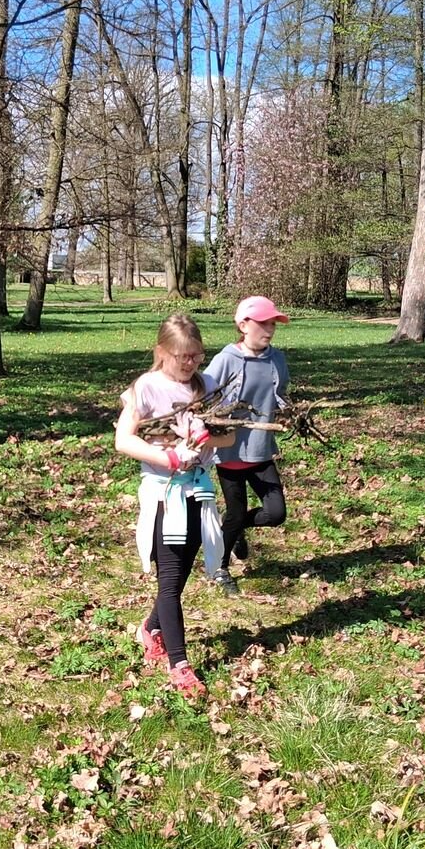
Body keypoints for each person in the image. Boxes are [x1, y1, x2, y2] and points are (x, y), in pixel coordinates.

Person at [114, 314, 236, 699]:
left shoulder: (207, 385)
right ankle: (179, 666)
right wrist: (166, 457)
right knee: (169, 580)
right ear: (161, 352)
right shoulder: (146, 387)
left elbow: (229, 437)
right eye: (182, 356)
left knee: (180, 575)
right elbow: (123, 440)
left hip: (198, 491)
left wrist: (205, 436)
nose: (190, 363)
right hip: (164, 493)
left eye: (196, 356)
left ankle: (149, 629)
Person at [204, 295, 291, 595]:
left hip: (261, 450)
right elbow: (204, 396)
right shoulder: (226, 359)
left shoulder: (277, 359)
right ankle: (219, 567)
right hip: (230, 451)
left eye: (273, 324)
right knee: (236, 512)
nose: (270, 329)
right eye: (263, 323)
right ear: (243, 325)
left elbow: (281, 396)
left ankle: (236, 528)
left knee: (276, 513)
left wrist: (288, 413)